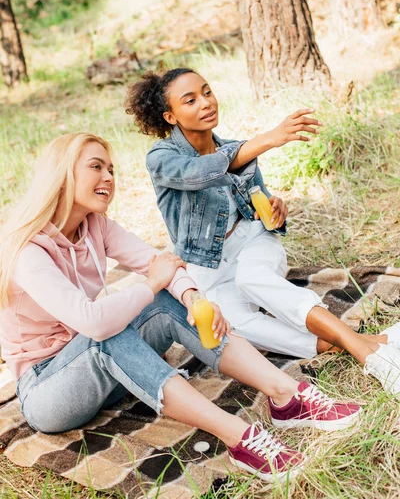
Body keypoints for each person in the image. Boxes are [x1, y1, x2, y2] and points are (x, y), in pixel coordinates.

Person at [0, 133, 363, 484]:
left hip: (104, 373)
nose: (108, 178)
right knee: (112, 326)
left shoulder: (96, 226)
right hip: (49, 392)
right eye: (96, 167)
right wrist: (152, 283)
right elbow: (93, 323)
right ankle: (240, 438)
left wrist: (194, 298)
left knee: (165, 298)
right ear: (62, 174)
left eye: (111, 169)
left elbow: (160, 262)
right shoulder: (28, 251)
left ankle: (287, 396)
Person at [126, 68, 400, 397]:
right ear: (170, 116)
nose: (206, 103)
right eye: (191, 100)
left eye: (207, 91)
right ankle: (376, 342)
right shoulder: (162, 158)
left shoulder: (238, 149)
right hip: (205, 264)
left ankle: (367, 355)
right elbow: (199, 172)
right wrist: (269, 138)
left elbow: (263, 208)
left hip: (253, 241)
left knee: (251, 279)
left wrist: (275, 212)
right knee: (231, 327)